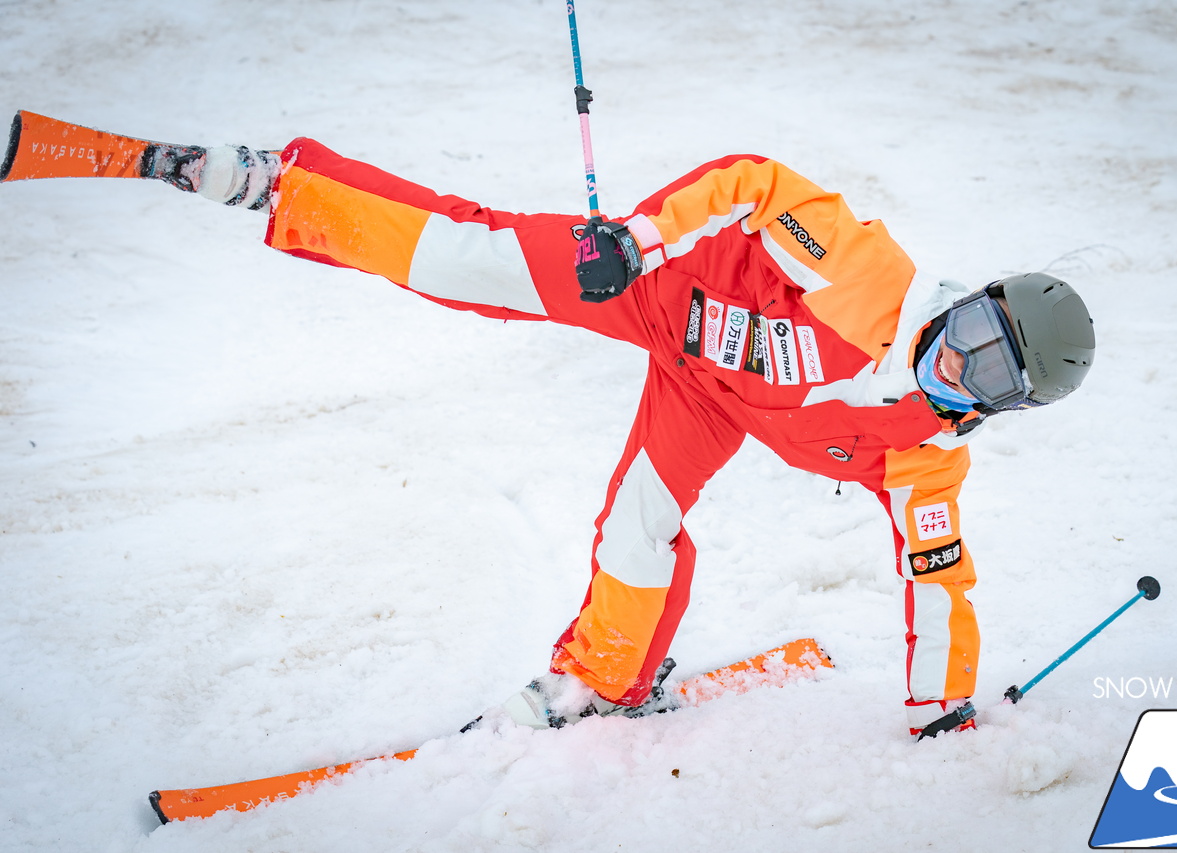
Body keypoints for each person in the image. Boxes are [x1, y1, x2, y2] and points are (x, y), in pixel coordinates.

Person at [139, 136, 1097, 738]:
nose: (960, 364)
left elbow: (940, 587)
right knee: (481, 260)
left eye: (994, 372)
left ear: (1012, 405)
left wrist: (945, 708)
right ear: (966, 300)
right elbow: (753, 187)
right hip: (656, 290)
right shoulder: (868, 277)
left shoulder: (922, 458)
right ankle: (281, 188)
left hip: (709, 402)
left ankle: (604, 681)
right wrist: (640, 237)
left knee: (637, 531)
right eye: (972, 331)